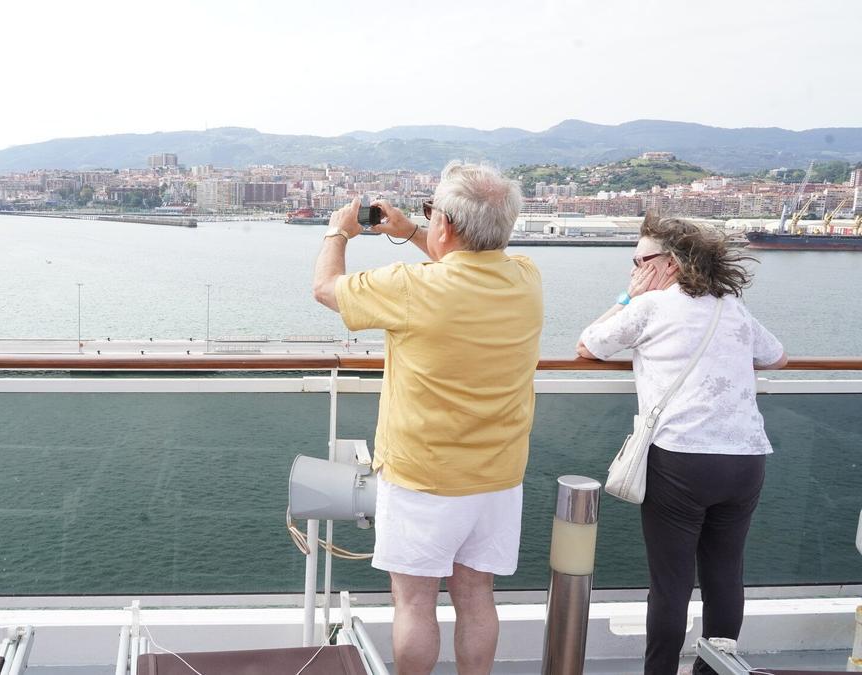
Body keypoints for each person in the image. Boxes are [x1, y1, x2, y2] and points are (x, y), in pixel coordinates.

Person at [312, 162, 543, 675]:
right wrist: (414, 229)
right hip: (499, 476)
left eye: (432, 211)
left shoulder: (411, 288)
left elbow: (326, 288)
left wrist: (338, 231)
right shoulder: (526, 277)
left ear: (448, 224)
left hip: (424, 477)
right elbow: (463, 262)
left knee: (415, 602)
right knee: (476, 595)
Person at [576, 214, 787, 675]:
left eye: (640, 261)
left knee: (671, 584)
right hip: (746, 458)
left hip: (681, 460)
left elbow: (588, 345)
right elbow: (777, 357)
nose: (634, 269)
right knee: (724, 575)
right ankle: (716, 671)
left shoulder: (650, 306)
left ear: (669, 264)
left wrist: (628, 296)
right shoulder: (730, 305)